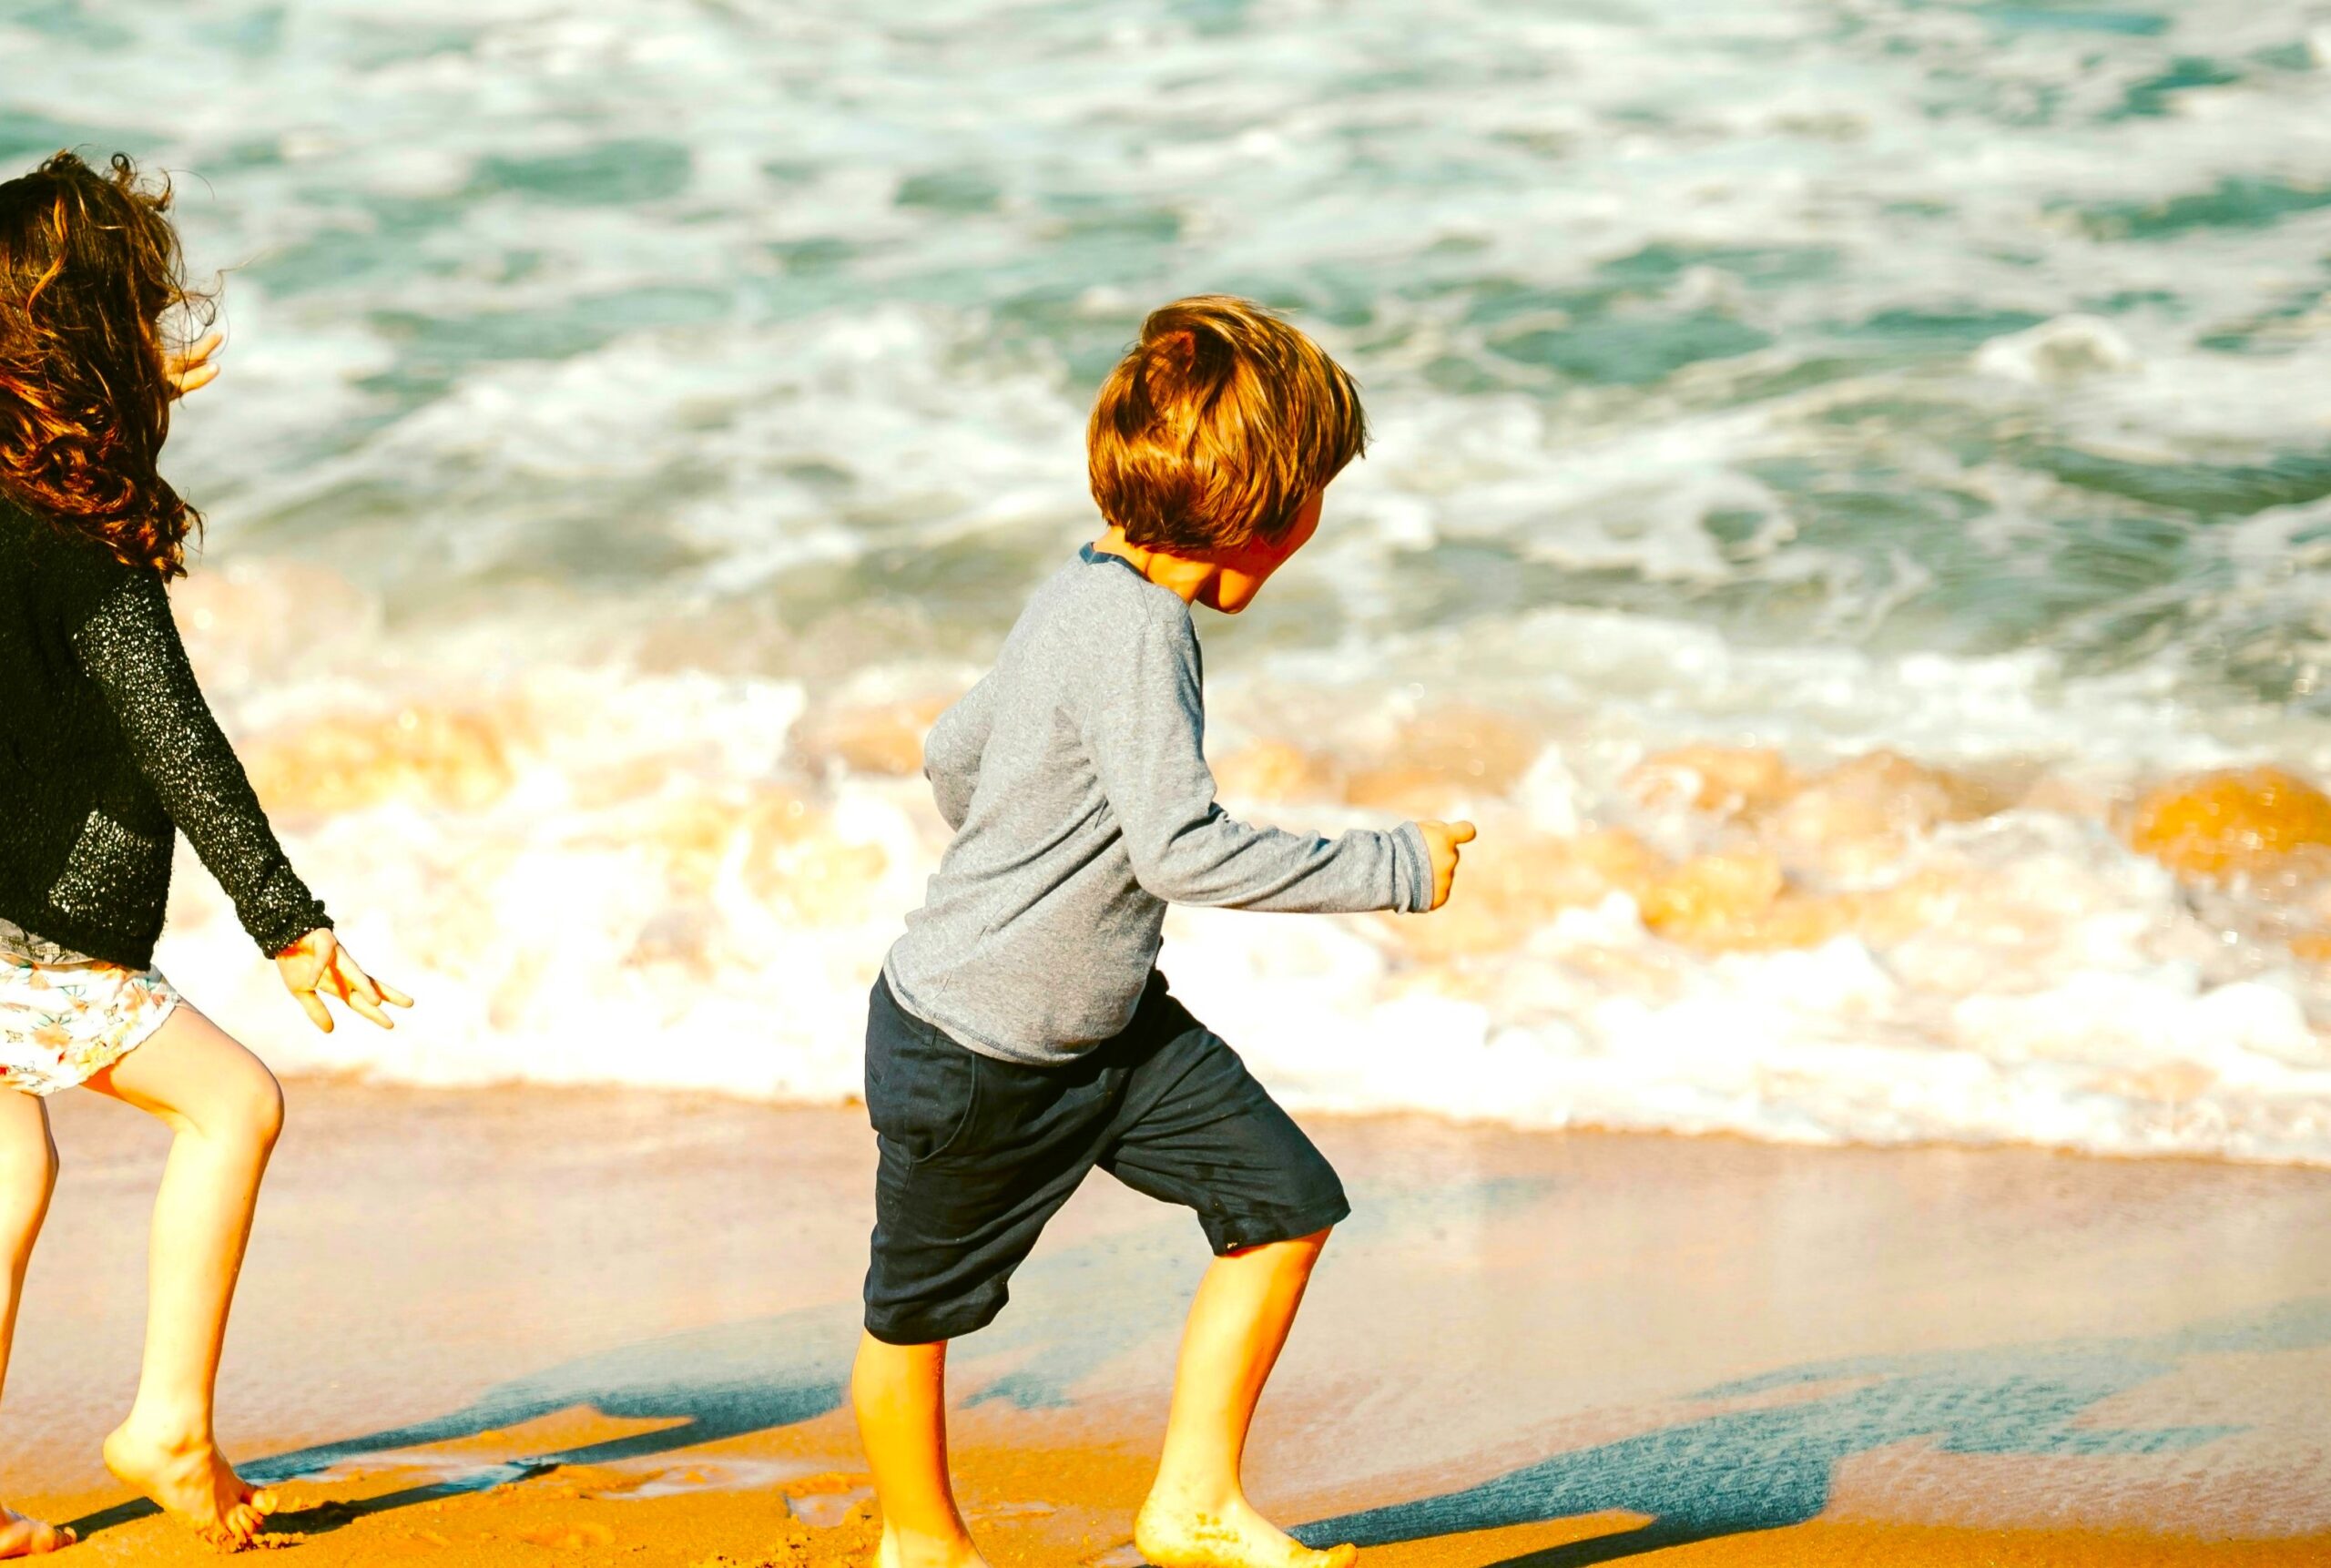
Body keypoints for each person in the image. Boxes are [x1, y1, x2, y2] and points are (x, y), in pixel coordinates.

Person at [853, 295, 1474, 1568]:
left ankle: (1192, 1502)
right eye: (1318, 503)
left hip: (1111, 1029)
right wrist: (1394, 864)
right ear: (1269, 519)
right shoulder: (1139, 632)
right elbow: (1179, 847)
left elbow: (950, 750)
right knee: (915, 1315)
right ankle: (923, 1543)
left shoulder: (1084, 585)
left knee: (1284, 1203)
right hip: (972, 1046)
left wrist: (1030, 868)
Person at [0, 151, 410, 1555]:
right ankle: (168, 1421)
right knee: (233, 1106)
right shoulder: (73, 539)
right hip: (26, 925)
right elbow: (179, 738)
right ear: (102, 341)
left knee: (7, 1169)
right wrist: (287, 918)